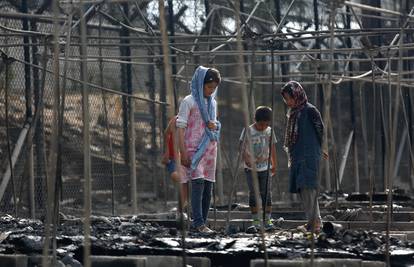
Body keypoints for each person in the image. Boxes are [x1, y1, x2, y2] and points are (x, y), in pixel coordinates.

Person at [176, 66, 221, 233]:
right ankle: (198, 223)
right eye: (209, 87)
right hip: (193, 150)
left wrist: (213, 124)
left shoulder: (213, 103)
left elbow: (214, 125)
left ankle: (203, 222)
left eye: (214, 88)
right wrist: (183, 151)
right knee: (197, 184)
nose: (211, 91)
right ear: (200, 83)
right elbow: (180, 127)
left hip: (209, 150)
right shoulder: (189, 101)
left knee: (208, 188)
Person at [280, 81, 328, 234]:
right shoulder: (293, 113)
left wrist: (322, 147)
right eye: (286, 99)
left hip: (309, 155)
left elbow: (320, 129)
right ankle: (312, 221)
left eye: (289, 98)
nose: (288, 102)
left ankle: (315, 222)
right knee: (303, 188)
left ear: (297, 95)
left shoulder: (310, 110)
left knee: (309, 188)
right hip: (298, 155)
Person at [240, 106, 277, 230]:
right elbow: (241, 147)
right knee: (254, 193)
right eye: (261, 125)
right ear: (255, 120)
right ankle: (256, 221)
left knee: (267, 193)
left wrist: (274, 163)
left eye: (266, 125)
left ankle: (267, 220)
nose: (263, 127)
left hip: (265, 167)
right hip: (251, 169)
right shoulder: (248, 131)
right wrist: (246, 159)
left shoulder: (269, 131)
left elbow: (272, 147)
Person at [161, 116, 189, 220]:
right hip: (173, 158)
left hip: (185, 158)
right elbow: (166, 133)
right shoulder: (176, 120)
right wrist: (167, 151)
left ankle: (180, 210)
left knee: (186, 183)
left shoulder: (196, 121)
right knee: (178, 178)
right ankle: (180, 209)